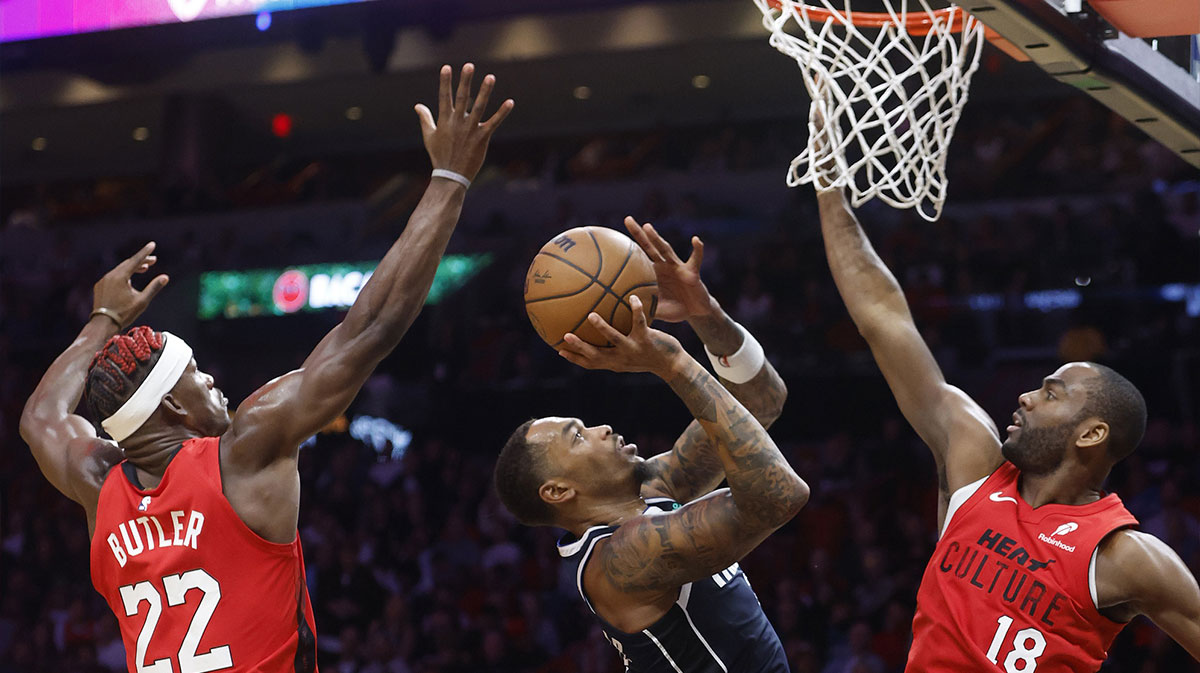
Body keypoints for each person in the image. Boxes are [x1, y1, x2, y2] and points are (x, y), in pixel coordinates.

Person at [19, 63, 512, 673]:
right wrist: (450, 178)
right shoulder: (242, 451)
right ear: (172, 404)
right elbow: (372, 327)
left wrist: (101, 318)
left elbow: (42, 416)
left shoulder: (100, 489)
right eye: (196, 373)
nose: (213, 382)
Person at [814, 178, 1200, 668]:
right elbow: (883, 318)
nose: (1026, 396)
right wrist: (829, 192)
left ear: (1092, 433)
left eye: (1051, 393)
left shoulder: (1125, 556)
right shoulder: (974, 463)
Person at [494, 219, 808, 672]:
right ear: (558, 491)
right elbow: (779, 495)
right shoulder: (621, 560)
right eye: (578, 437)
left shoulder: (655, 487)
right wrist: (673, 363)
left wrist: (704, 313)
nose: (601, 429)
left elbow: (762, 399)